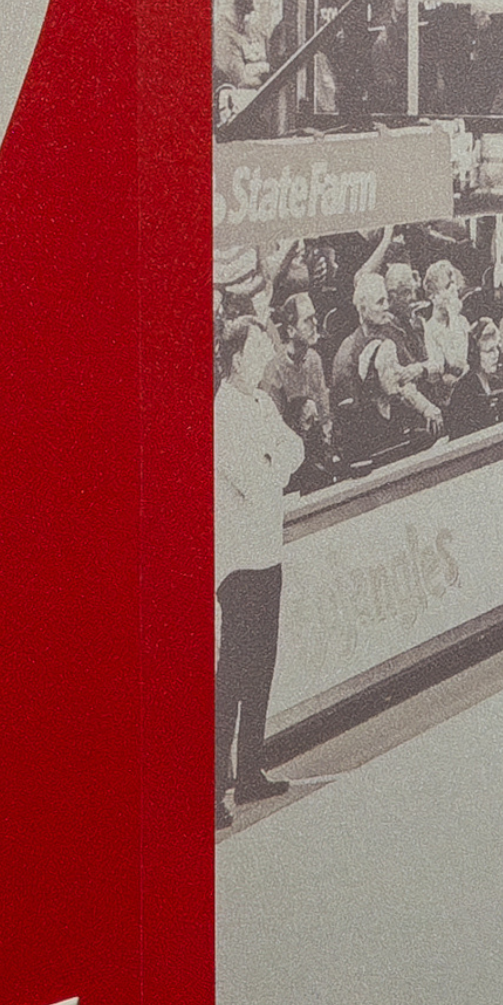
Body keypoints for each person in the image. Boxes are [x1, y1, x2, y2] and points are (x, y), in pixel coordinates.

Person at [215, 318, 306, 816]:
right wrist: (274, 465)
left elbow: (295, 449)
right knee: (232, 672)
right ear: (234, 359)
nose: (266, 357)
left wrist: (273, 462)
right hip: (238, 563)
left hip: (267, 552)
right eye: (257, 349)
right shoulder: (223, 413)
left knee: (262, 666)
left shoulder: (263, 404)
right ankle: (211, 788)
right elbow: (252, 479)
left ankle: (250, 772)